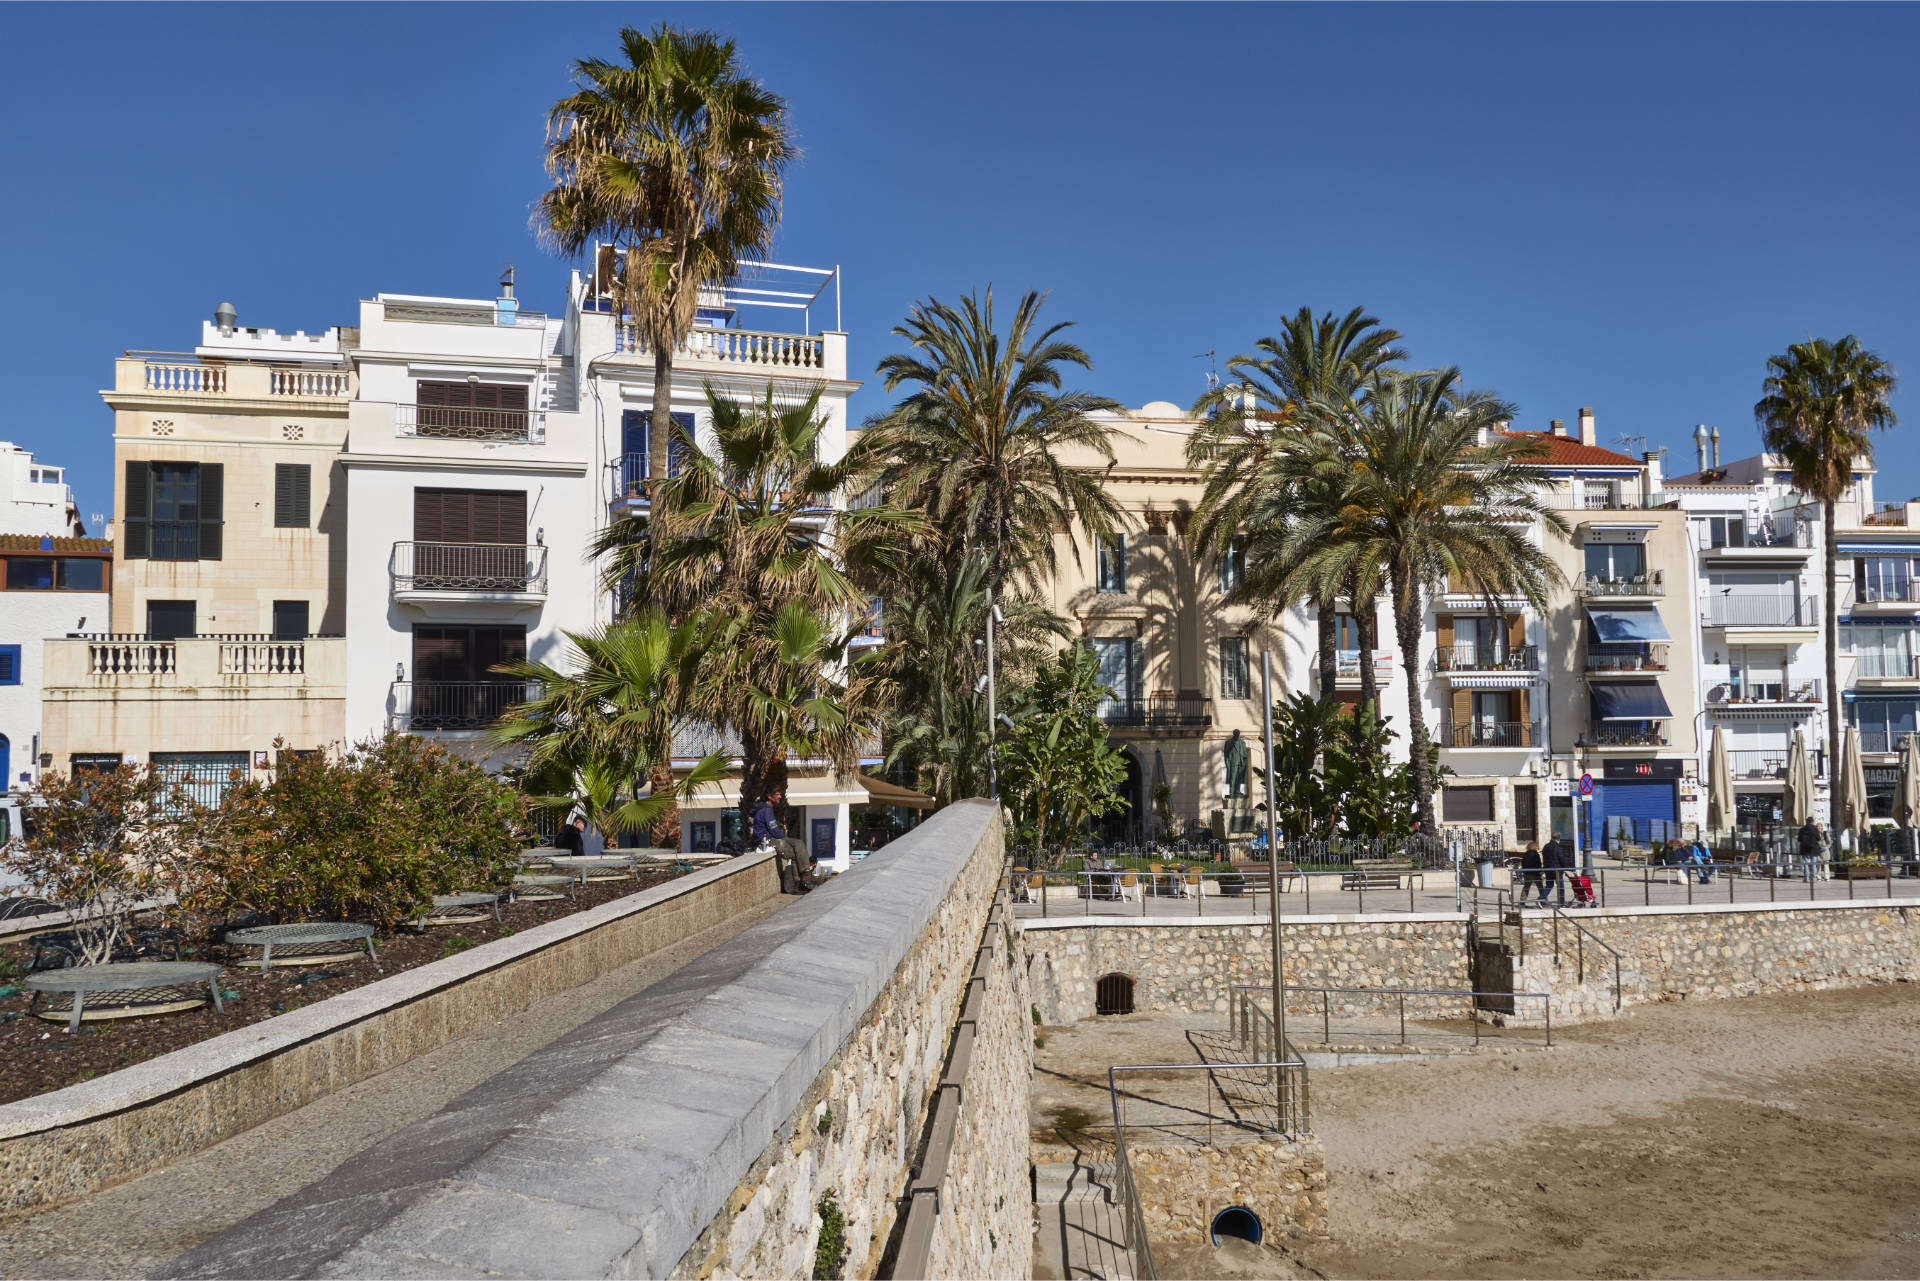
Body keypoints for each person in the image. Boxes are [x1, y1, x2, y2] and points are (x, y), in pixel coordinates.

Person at [754, 786, 810, 894]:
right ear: (770, 797)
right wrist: (783, 835)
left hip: (774, 836)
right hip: (768, 839)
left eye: (780, 794)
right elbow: (774, 830)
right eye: (777, 794)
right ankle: (798, 883)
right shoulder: (766, 810)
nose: (780, 796)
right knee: (792, 852)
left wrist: (782, 835)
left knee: (799, 843)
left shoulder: (767, 809)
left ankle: (806, 872)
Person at [1537, 834, 1569, 906]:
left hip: (1548, 869)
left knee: (1549, 885)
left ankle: (1541, 898)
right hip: (1556, 871)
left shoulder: (1546, 846)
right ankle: (1561, 903)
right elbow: (1562, 859)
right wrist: (1566, 867)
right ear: (1558, 839)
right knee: (1561, 887)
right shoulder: (1558, 848)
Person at [1797, 819, 1824, 883]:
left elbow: (1799, 839)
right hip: (1814, 849)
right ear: (1812, 822)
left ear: (1806, 822)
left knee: (1806, 864)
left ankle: (1806, 878)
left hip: (1804, 849)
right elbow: (1818, 838)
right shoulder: (1815, 829)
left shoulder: (1802, 829)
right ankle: (1814, 878)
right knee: (1813, 864)